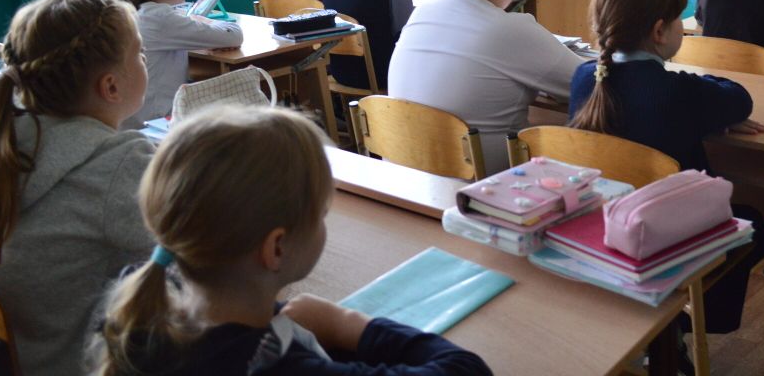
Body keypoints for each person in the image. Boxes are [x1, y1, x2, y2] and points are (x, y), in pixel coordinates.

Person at [91, 106, 492, 376]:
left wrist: (278, 309)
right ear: (276, 249)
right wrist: (347, 323)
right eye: (320, 214)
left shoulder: (138, 317)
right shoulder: (274, 364)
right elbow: (465, 369)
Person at [0, 0, 154, 376]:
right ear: (111, 87)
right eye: (140, 53)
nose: (145, 59)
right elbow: (200, 255)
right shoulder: (119, 164)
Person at [569, 0, 764, 336]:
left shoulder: (584, 78)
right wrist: (712, 113)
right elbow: (739, 98)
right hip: (667, 239)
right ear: (660, 31)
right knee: (755, 227)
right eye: (680, 18)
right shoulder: (678, 92)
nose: (683, 25)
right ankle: (684, 321)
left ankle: (664, 323)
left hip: (604, 229)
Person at [388, 0, 583, 172]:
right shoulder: (511, 30)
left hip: (406, 176)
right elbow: (595, 85)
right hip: (485, 188)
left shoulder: (420, 15)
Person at [106, 0, 243, 126]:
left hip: (131, 119)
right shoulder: (159, 18)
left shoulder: (132, 14)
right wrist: (203, 20)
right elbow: (233, 34)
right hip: (156, 122)